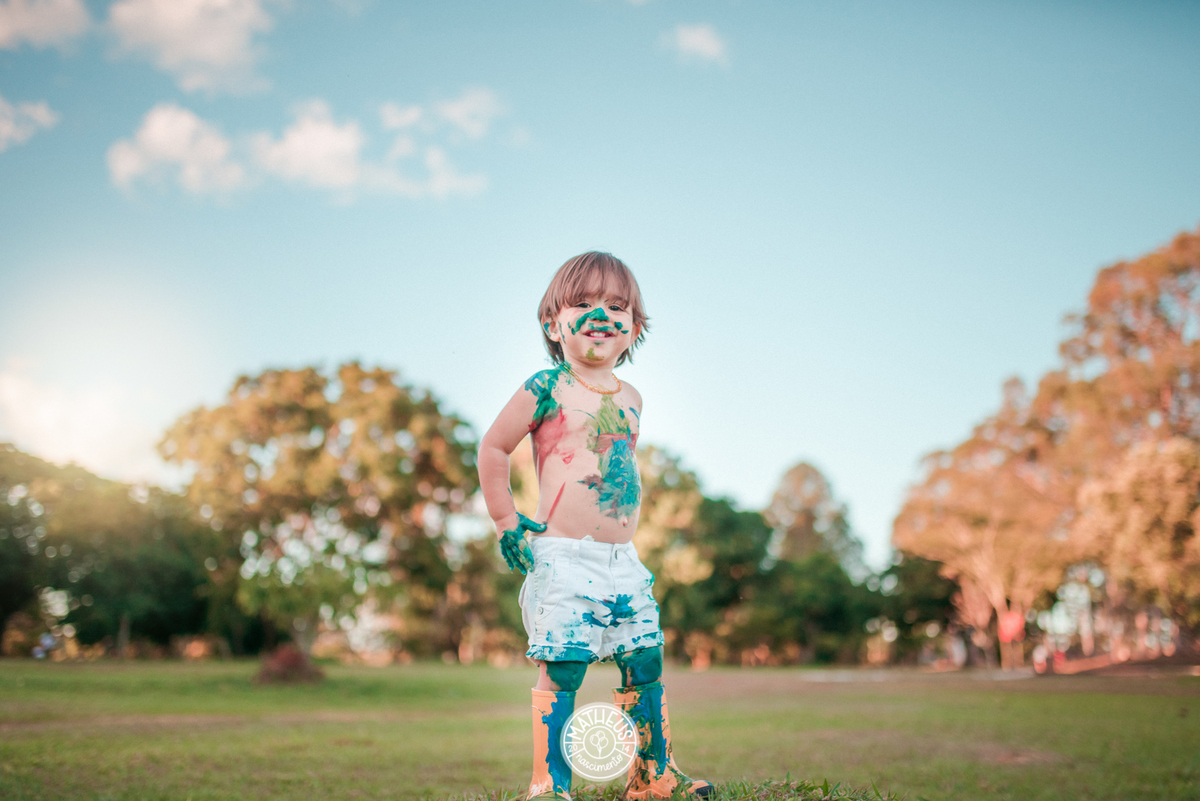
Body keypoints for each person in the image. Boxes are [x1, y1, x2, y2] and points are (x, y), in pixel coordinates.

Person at [478, 252, 713, 801]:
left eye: (616, 306)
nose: (600, 315)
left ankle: (652, 775)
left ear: (635, 326)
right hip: (563, 556)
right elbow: (493, 446)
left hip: (623, 559)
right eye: (582, 303)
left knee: (645, 657)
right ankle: (549, 784)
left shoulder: (632, 398)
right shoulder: (546, 385)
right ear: (552, 325)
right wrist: (505, 518)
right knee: (564, 664)